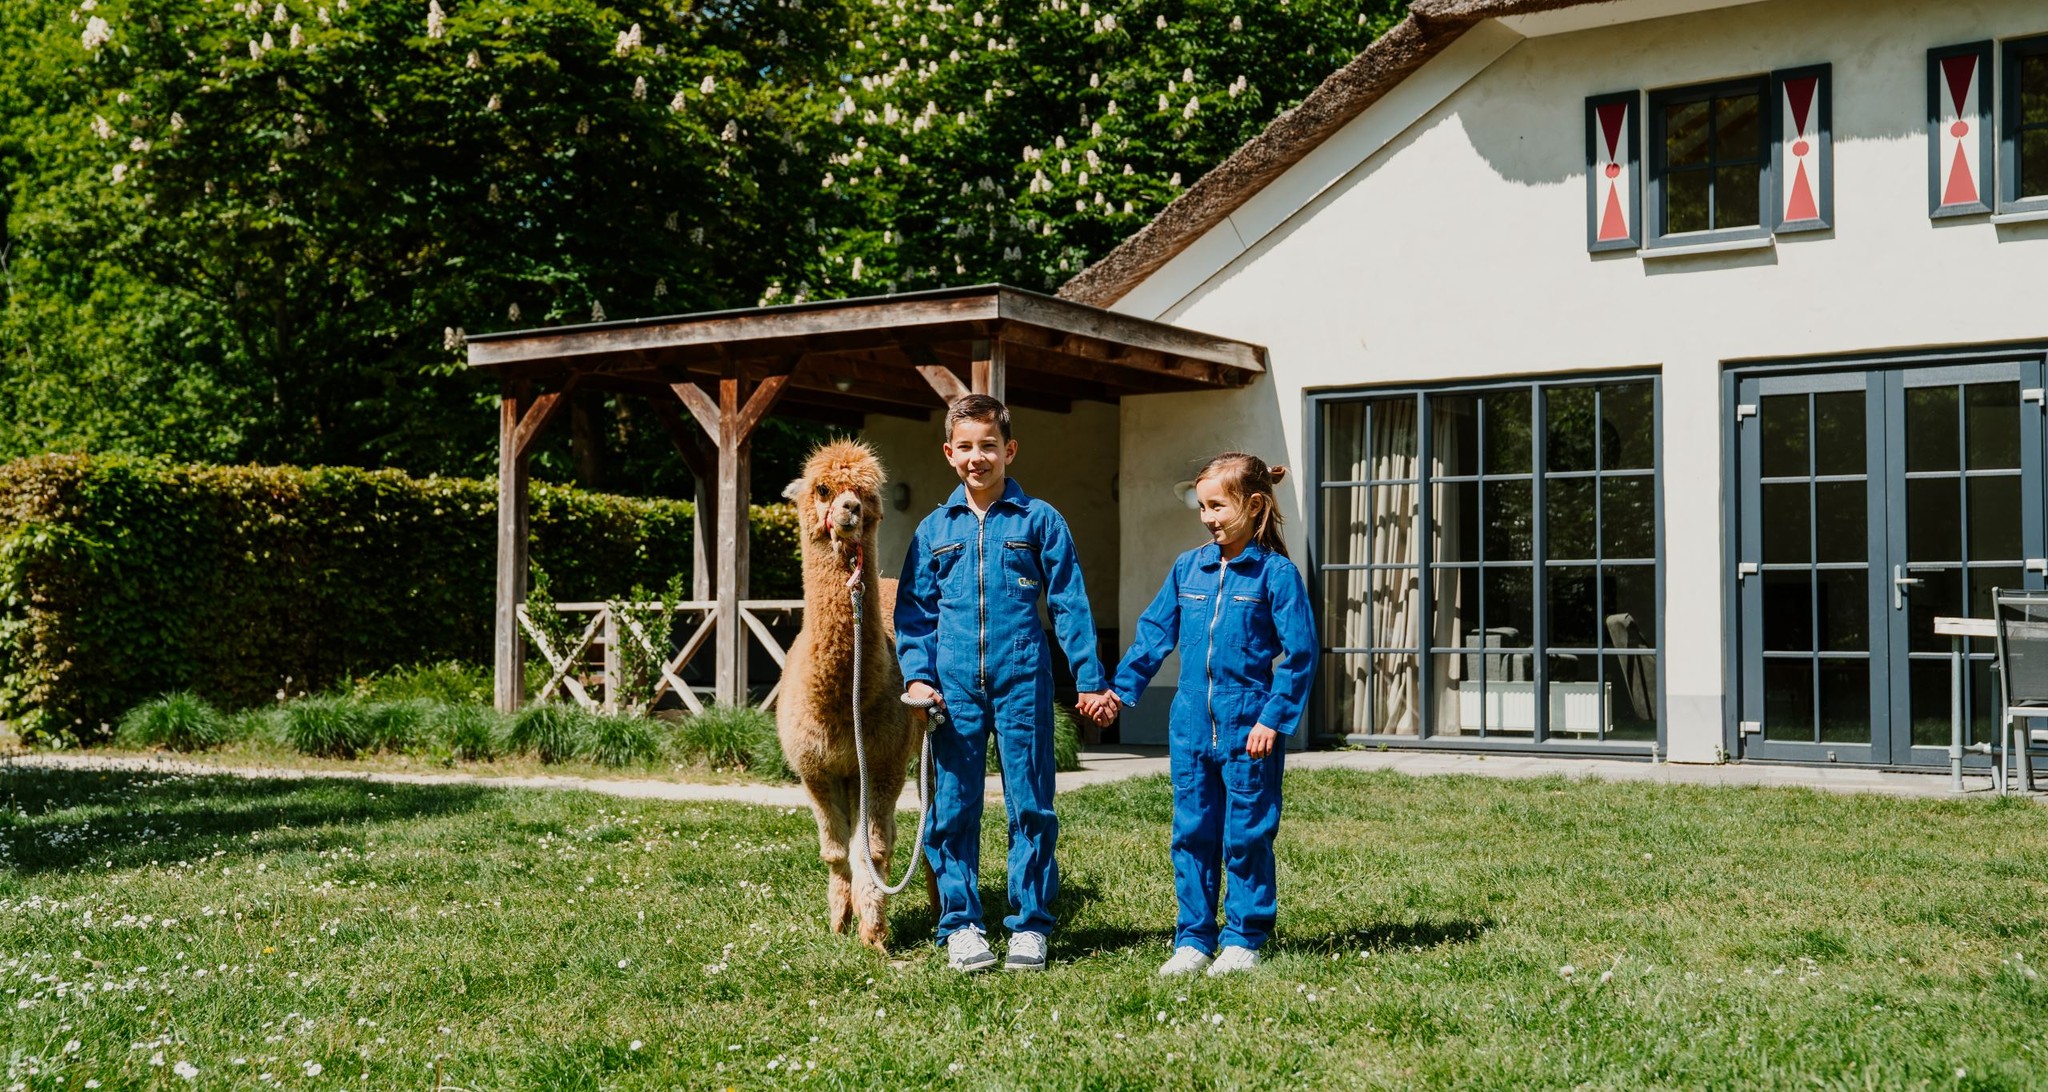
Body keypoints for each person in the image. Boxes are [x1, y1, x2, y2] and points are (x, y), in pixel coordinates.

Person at [895, 394, 1117, 973]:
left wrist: (1089, 679)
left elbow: (1069, 604)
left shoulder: (1040, 520)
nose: (978, 457)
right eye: (965, 447)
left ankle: (1030, 926)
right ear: (949, 453)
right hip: (953, 687)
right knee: (953, 807)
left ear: (1009, 450)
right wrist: (918, 678)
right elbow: (915, 613)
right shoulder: (931, 530)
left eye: (988, 445)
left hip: (1024, 681)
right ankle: (962, 925)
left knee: (1032, 806)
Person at [1090, 453, 1315, 977]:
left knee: (1246, 833)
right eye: (1203, 506)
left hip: (1250, 729)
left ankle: (1243, 936)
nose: (1207, 516)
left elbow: (1300, 655)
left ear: (1253, 505)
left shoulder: (1276, 576)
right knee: (1191, 833)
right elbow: (1152, 635)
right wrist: (1119, 695)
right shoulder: (1187, 568)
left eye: (1218, 506)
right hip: (1189, 727)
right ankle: (1193, 938)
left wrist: (1272, 720)